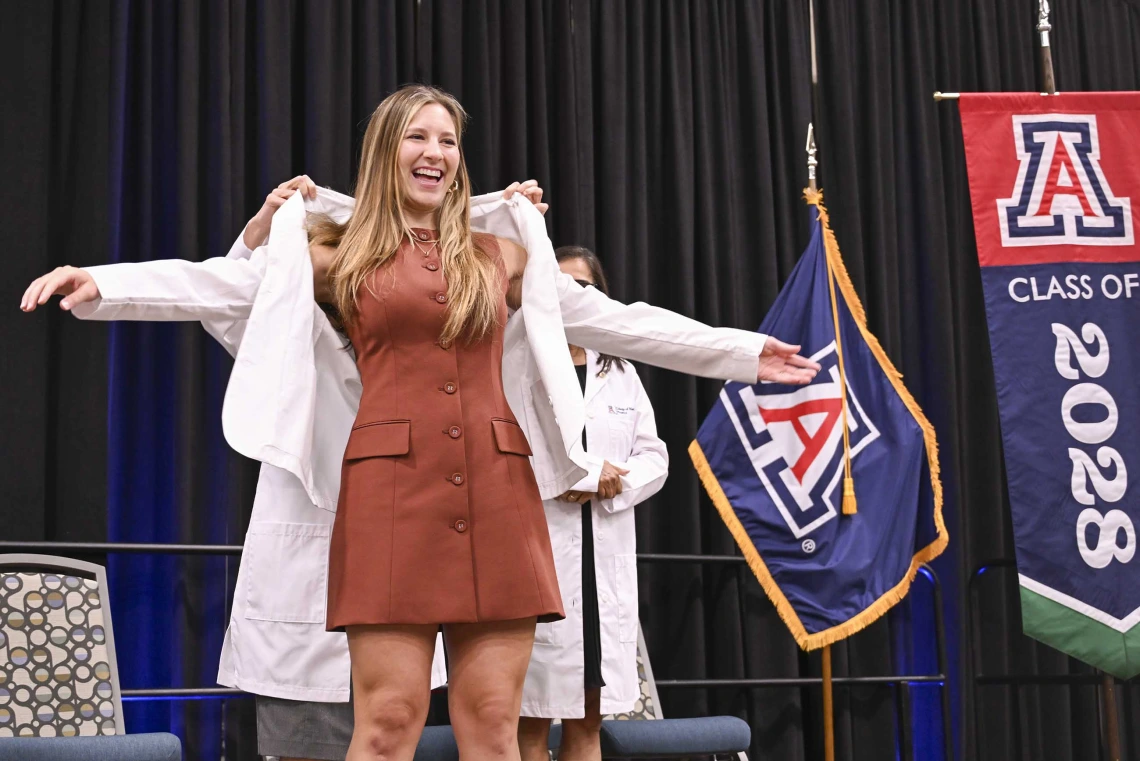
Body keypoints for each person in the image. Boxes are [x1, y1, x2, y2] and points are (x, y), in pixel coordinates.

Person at [21, 84, 819, 761]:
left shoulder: (500, 255)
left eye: (449, 139)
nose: (435, 150)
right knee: (388, 725)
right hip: (388, 496)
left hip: (503, 496)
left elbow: (620, 320)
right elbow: (218, 286)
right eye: (418, 135)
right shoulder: (339, 254)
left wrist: (748, 353)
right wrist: (100, 282)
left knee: (494, 732)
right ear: (385, 151)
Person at [517, 246, 668, 761]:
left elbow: (653, 456)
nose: (571, 296)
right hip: (540, 555)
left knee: (588, 723)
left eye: (582, 286)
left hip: (603, 560)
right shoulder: (519, 362)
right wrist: (573, 475)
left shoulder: (620, 371)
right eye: (559, 284)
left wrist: (615, 484)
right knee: (530, 723)